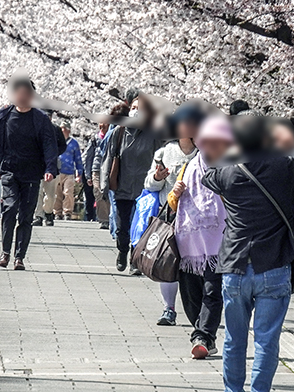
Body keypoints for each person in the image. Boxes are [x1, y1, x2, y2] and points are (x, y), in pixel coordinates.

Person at [204, 112, 294, 392]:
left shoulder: (227, 170)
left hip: (234, 263)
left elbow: (208, 177)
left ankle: (233, 390)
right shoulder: (282, 165)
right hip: (274, 263)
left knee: (234, 339)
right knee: (266, 340)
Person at [0, 77, 59, 271]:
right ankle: (5, 252)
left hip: (31, 173)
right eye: (19, 93)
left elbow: (49, 145)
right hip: (9, 171)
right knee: (10, 208)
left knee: (25, 215)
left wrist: (49, 169)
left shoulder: (40, 119)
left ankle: (19, 257)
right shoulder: (5, 115)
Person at [170, 115, 231, 359]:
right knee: (191, 293)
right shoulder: (190, 166)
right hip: (189, 242)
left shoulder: (228, 165)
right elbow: (173, 205)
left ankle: (203, 335)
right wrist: (175, 193)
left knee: (211, 290)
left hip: (218, 241)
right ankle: (203, 332)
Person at [147, 103, 205, 324]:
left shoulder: (205, 153)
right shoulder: (164, 152)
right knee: (167, 262)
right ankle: (168, 308)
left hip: (197, 218)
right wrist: (159, 178)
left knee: (194, 266)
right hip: (170, 216)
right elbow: (149, 184)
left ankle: (198, 309)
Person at [104, 95, 164, 271]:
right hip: (123, 185)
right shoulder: (119, 132)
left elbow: (161, 158)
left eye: (141, 108)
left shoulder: (154, 134)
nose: (136, 111)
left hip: (144, 188)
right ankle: (122, 251)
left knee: (141, 225)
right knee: (123, 226)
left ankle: (135, 259)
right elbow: (108, 159)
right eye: (134, 107)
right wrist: (104, 186)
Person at [55, 125, 84, 220]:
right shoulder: (56, 141)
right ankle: (57, 212)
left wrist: (79, 172)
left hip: (69, 172)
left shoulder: (74, 143)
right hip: (57, 171)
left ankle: (67, 212)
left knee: (68, 192)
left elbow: (78, 158)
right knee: (57, 193)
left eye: (64, 128)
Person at [82, 118, 105, 221]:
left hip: (108, 168)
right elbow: (88, 157)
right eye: (101, 123)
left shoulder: (113, 137)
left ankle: (107, 217)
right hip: (96, 169)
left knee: (107, 194)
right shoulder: (94, 138)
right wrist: (88, 175)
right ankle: (103, 218)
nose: (103, 126)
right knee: (98, 192)